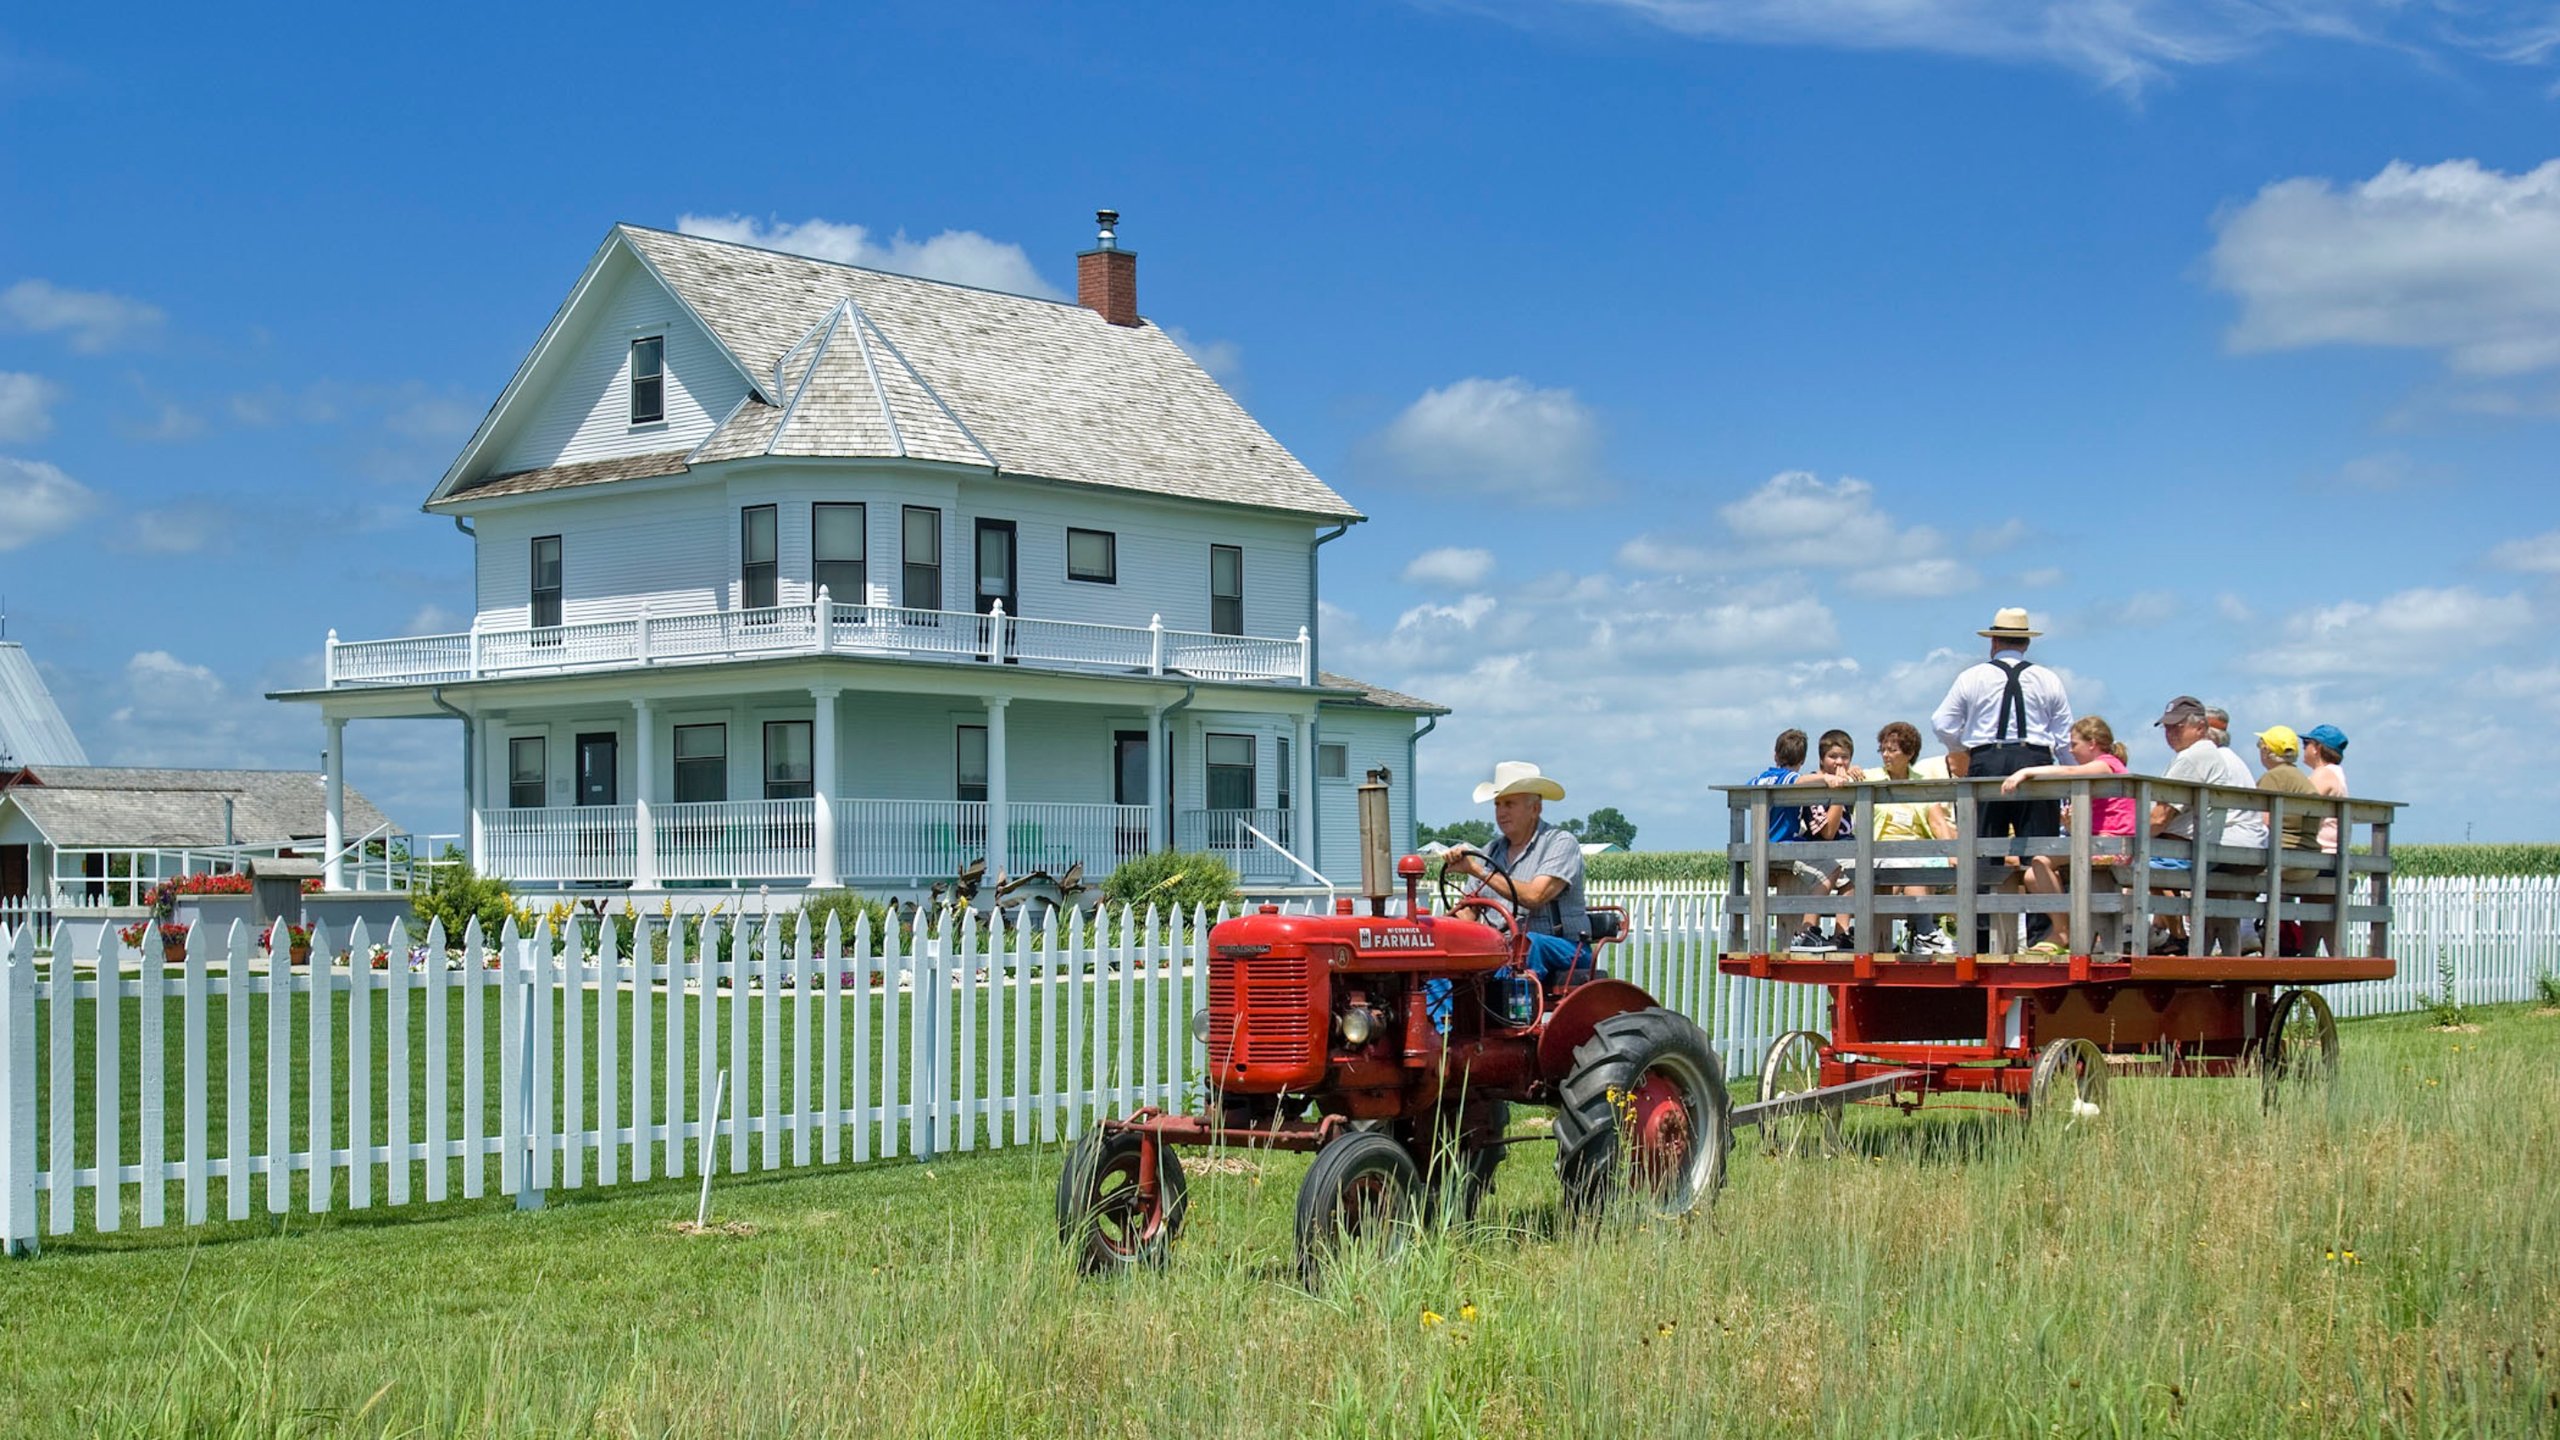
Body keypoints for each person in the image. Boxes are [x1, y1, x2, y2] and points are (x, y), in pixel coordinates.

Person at [1931, 607, 2073, 951]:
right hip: (2036, 760)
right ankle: (2043, 937)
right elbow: (2064, 736)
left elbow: (1942, 723)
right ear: (2025, 643)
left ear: (1994, 641)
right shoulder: (2048, 678)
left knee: (1983, 851)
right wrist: (2067, 778)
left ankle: (1981, 937)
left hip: (1987, 760)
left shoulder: (1972, 677)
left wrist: (1962, 749)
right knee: (2038, 852)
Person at [1441, 760, 1592, 987]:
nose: (1501, 812)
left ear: (1535, 808)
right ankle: (1442, 1021)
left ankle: (1498, 1011)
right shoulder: (1490, 851)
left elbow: (1534, 896)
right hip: (1502, 947)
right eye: (1498, 804)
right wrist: (1436, 931)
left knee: (1528, 943)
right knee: (1436, 968)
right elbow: (1468, 915)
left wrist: (1479, 871)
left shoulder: (1560, 843)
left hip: (1566, 947)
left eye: (1509, 804)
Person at [1997, 715, 2136, 953]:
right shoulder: (2104, 768)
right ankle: (2065, 927)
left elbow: (2071, 770)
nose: (2071, 750)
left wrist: (2026, 771)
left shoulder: (2106, 764)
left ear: (2092, 743)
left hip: (2112, 845)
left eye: (2075, 744)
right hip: (2100, 842)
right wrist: (2071, 824)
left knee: (2041, 860)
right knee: (2031, 876)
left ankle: (2063, 931)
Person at [2148, 696, 2264, 954]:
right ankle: (2178, 936)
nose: (2170, 733)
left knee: (2119, 864)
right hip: (2213, 846)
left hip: (2195, 849)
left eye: (2177, 727)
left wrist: (2125, 834)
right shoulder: (2214, 756)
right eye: (2166, 727)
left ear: (2200, 728)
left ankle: (2167, 935)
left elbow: (2158, 819)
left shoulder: (2192, 758)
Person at [1748, 728, 1853, 951]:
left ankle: (1817, 932)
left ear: (1775, 754)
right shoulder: (1789, 777)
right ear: (1803, 760)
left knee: (1835, 872)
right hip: (1783, 846)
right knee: (1831, 870)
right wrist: (1826, 778)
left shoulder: (1759, 778)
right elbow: (1799, 780)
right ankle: (1807, 931)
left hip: (1761, 845)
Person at [1870, 721, 1955, 954]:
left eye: (1892, 750)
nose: (1886, 755)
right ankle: (1926, 933)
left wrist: (1953, 853)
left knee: (1955, 868)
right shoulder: (1871, 778)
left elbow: (1937, 821)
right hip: (1882, 849)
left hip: (1918, 849)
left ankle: (1952, 931)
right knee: (1912, 868)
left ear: (1909, 753)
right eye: (1883, 749)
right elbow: (1844, 778)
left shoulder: (1920, 781)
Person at [2301, 723, 2352, 955]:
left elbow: (2299, 807)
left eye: (2306, 744)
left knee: (2313, 918)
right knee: (2321, 922)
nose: (2304, 749)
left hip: (2322, 855)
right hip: (2333, 856)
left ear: (2317, 748)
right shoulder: (2337, 774)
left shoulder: (2324, 775)